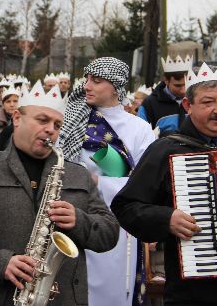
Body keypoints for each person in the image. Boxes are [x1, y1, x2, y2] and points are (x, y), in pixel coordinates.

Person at [112, 62, 217, 306]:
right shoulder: (166, 149)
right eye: (208, 102)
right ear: (188, 105)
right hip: (197, 293)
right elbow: (125, 206)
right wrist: (166, 218)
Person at [0, 81, 119, 306]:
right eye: (42, 120)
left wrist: (79, 220)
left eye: (57, 124)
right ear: (16, 118)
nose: (51, 129)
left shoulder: (78, 174)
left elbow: (110, 233)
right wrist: (1, 263)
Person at [57, 57, 155, 306]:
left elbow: (146, 185)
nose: (87, 85)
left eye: (96, 81)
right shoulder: (72, 121)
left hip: (119, 227)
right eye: (87, 79)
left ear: (115, 87)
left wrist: (97, 183)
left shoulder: (139, 129)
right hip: (73, 218)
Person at [138, 55, 191, 135]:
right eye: (178, 86)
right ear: (166, 80)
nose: (183, 90)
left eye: (186, 84)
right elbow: (140, 132)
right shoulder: (150, 104)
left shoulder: (195, 99)